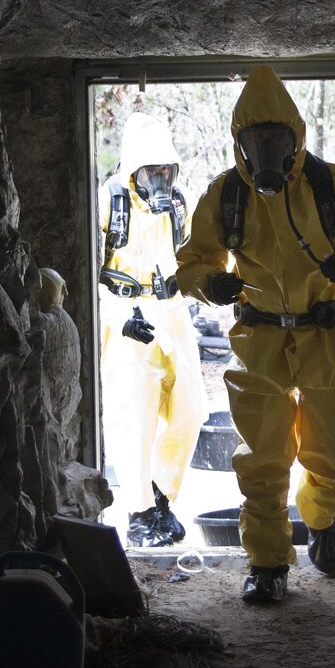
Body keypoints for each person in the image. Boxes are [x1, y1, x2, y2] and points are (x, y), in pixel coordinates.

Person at [177, 66, 335, 604]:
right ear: (241, 143)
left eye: (277, 139)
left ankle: (322, 517)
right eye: (257, 140)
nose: (267, 149)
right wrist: (213, 282)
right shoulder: (227, 194)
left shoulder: (329, 183)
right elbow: (194, 259)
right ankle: (269, 562)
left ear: (295, 138)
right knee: (264, 455)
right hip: (259, 340)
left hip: (326, 334)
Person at [98, 112, 209, 544]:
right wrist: (121, 319)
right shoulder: (110, 201)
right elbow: (90, 271)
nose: (161, 177)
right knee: (136, 420)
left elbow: (192, 256)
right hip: (127, 316)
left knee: (190, 411)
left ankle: (161, 496)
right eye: (152, 169)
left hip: (172, 313)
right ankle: (139, 515)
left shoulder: (176, 205)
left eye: (167, 168)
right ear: (134, 170)